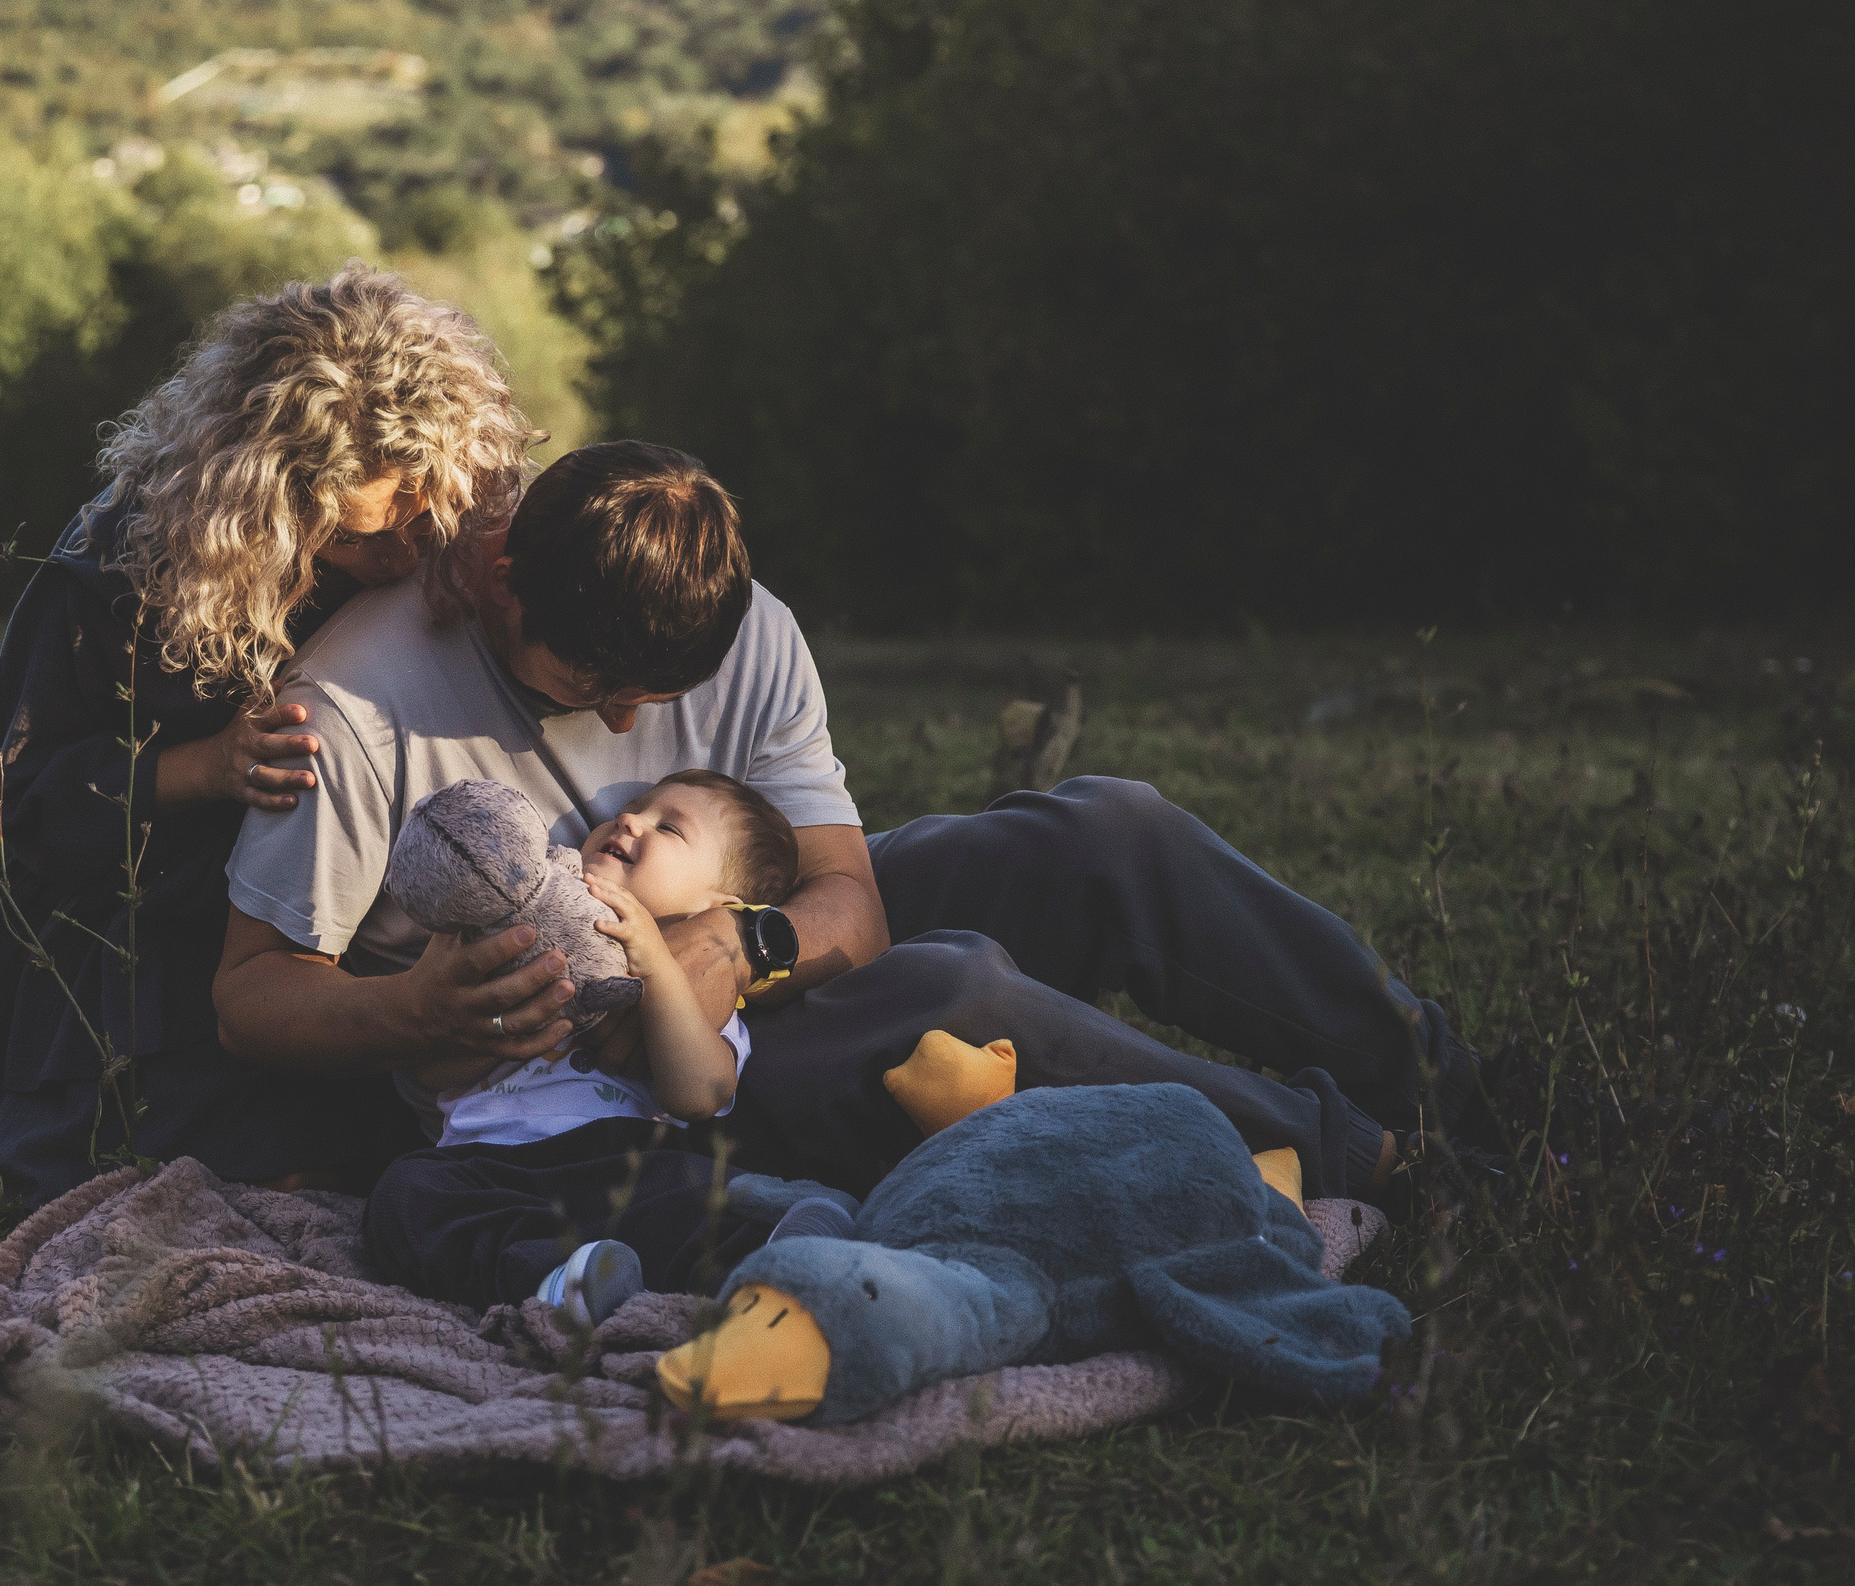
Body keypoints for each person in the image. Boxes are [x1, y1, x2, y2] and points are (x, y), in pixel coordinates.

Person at [217, 440, 1493, 1219]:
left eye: (650, 702)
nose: (618, 716)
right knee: (943, 990)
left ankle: (1452, 1082)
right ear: (502, 581)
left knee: (1106, 826)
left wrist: (733, 948)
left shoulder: (743, 629)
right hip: (600, 1082)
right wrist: (415, 1012)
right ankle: (1366, 1162)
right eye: (587, 684)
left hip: (735, 965)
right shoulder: (356, 702)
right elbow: (250, 995)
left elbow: (847, 901)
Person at [0, 264, 532, 1205]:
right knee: (207, 1179)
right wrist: (207, 766)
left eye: (429, 513)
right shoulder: (119, 575)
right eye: (373, 535)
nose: (411, 555)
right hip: (129, 911)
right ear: (277, 490)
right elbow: (21, 801)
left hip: (319, 909)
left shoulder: (425, 525)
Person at [363, 771, 855, 1324]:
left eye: (667, 827)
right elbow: (432, 1073)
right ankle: (556, 1283)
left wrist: (657, 967)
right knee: (405, 1195)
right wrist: (507, 1005)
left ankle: (774, 1253)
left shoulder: (698, 989)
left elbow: (701, 1094)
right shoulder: (499, 935)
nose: (629, 820)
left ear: (716, 905)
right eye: (634, 808)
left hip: (624, 1164)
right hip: (490, 1168)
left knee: (690, 1192)